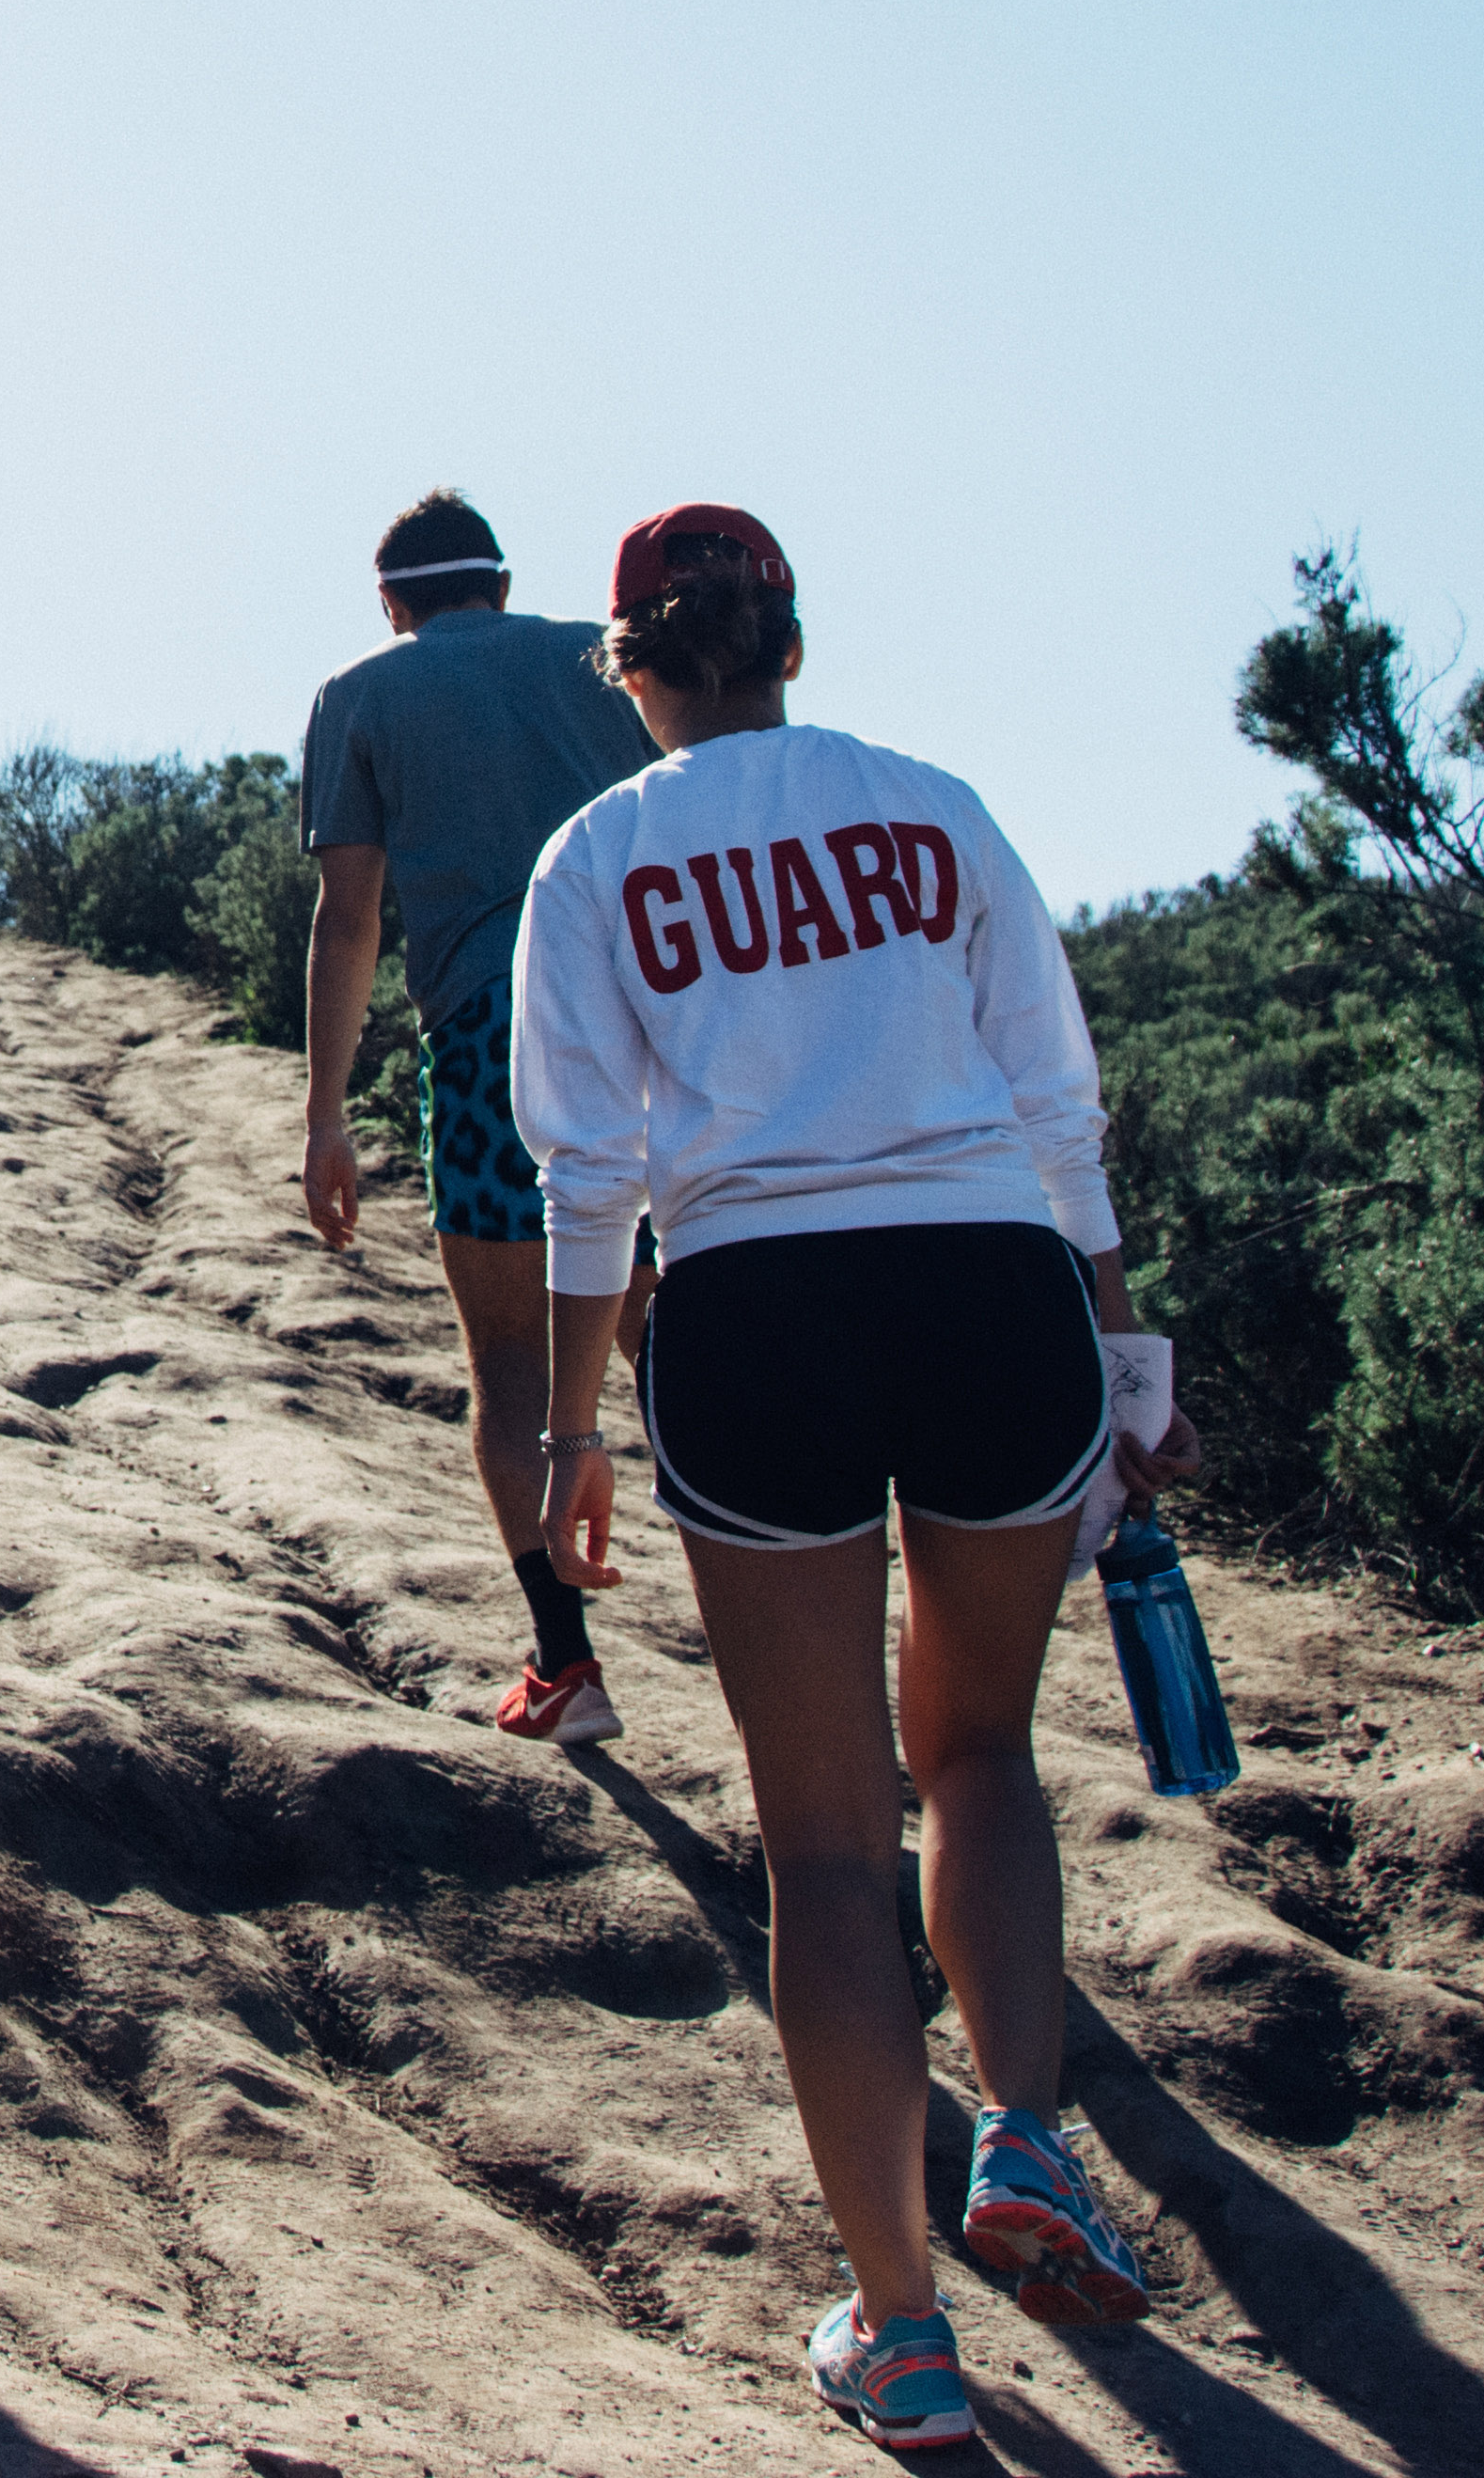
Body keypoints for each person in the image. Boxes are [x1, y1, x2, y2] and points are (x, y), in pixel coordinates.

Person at [510, 504, 1205, 2456]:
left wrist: (571, 1437)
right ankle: (1039, 2148)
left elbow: (587, 1178)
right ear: (789, 644)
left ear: (635, 670)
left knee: (824, 1843)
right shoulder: (932, 809)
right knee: (980, 1751)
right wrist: (1128, 1363)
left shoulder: (600, 857)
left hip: (754, 1312)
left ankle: (901, 2333)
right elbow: (1059, 1106)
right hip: (988, 1282)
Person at [293, 489, 671, 1744]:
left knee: (513, 1361)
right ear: (503, 586)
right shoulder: (596, 664)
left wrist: (326, 1119)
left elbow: (349, 918)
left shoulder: (366, 693)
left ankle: (567, 1671)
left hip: (497, 1037)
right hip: (658, 1019)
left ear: (393, 605)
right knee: (666, 1317)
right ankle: (782, 1589)